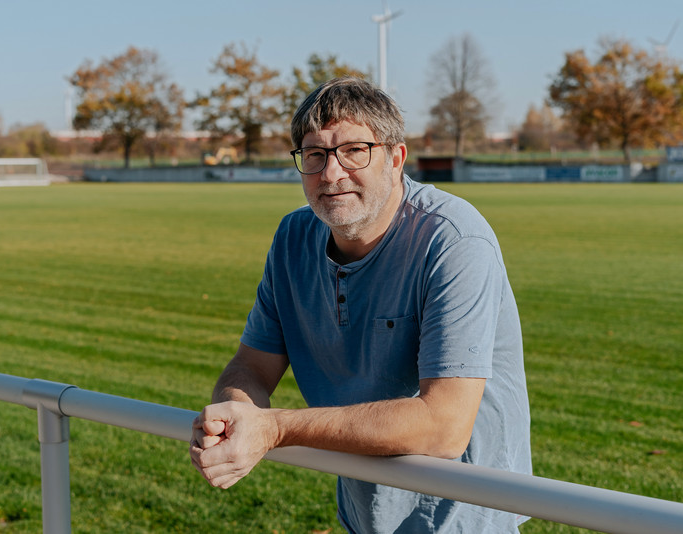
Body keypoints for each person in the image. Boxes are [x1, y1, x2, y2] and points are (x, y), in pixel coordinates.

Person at [190, 77, 531, 533]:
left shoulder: (453, 240)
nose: (331, 174)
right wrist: (235, 415)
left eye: (354, 150)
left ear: (396, 159)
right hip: (364, 504)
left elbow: (444, 427)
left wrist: (273, 428)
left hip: (462, 513)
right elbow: (251, 366)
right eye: (315, 155)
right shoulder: (293, 238)